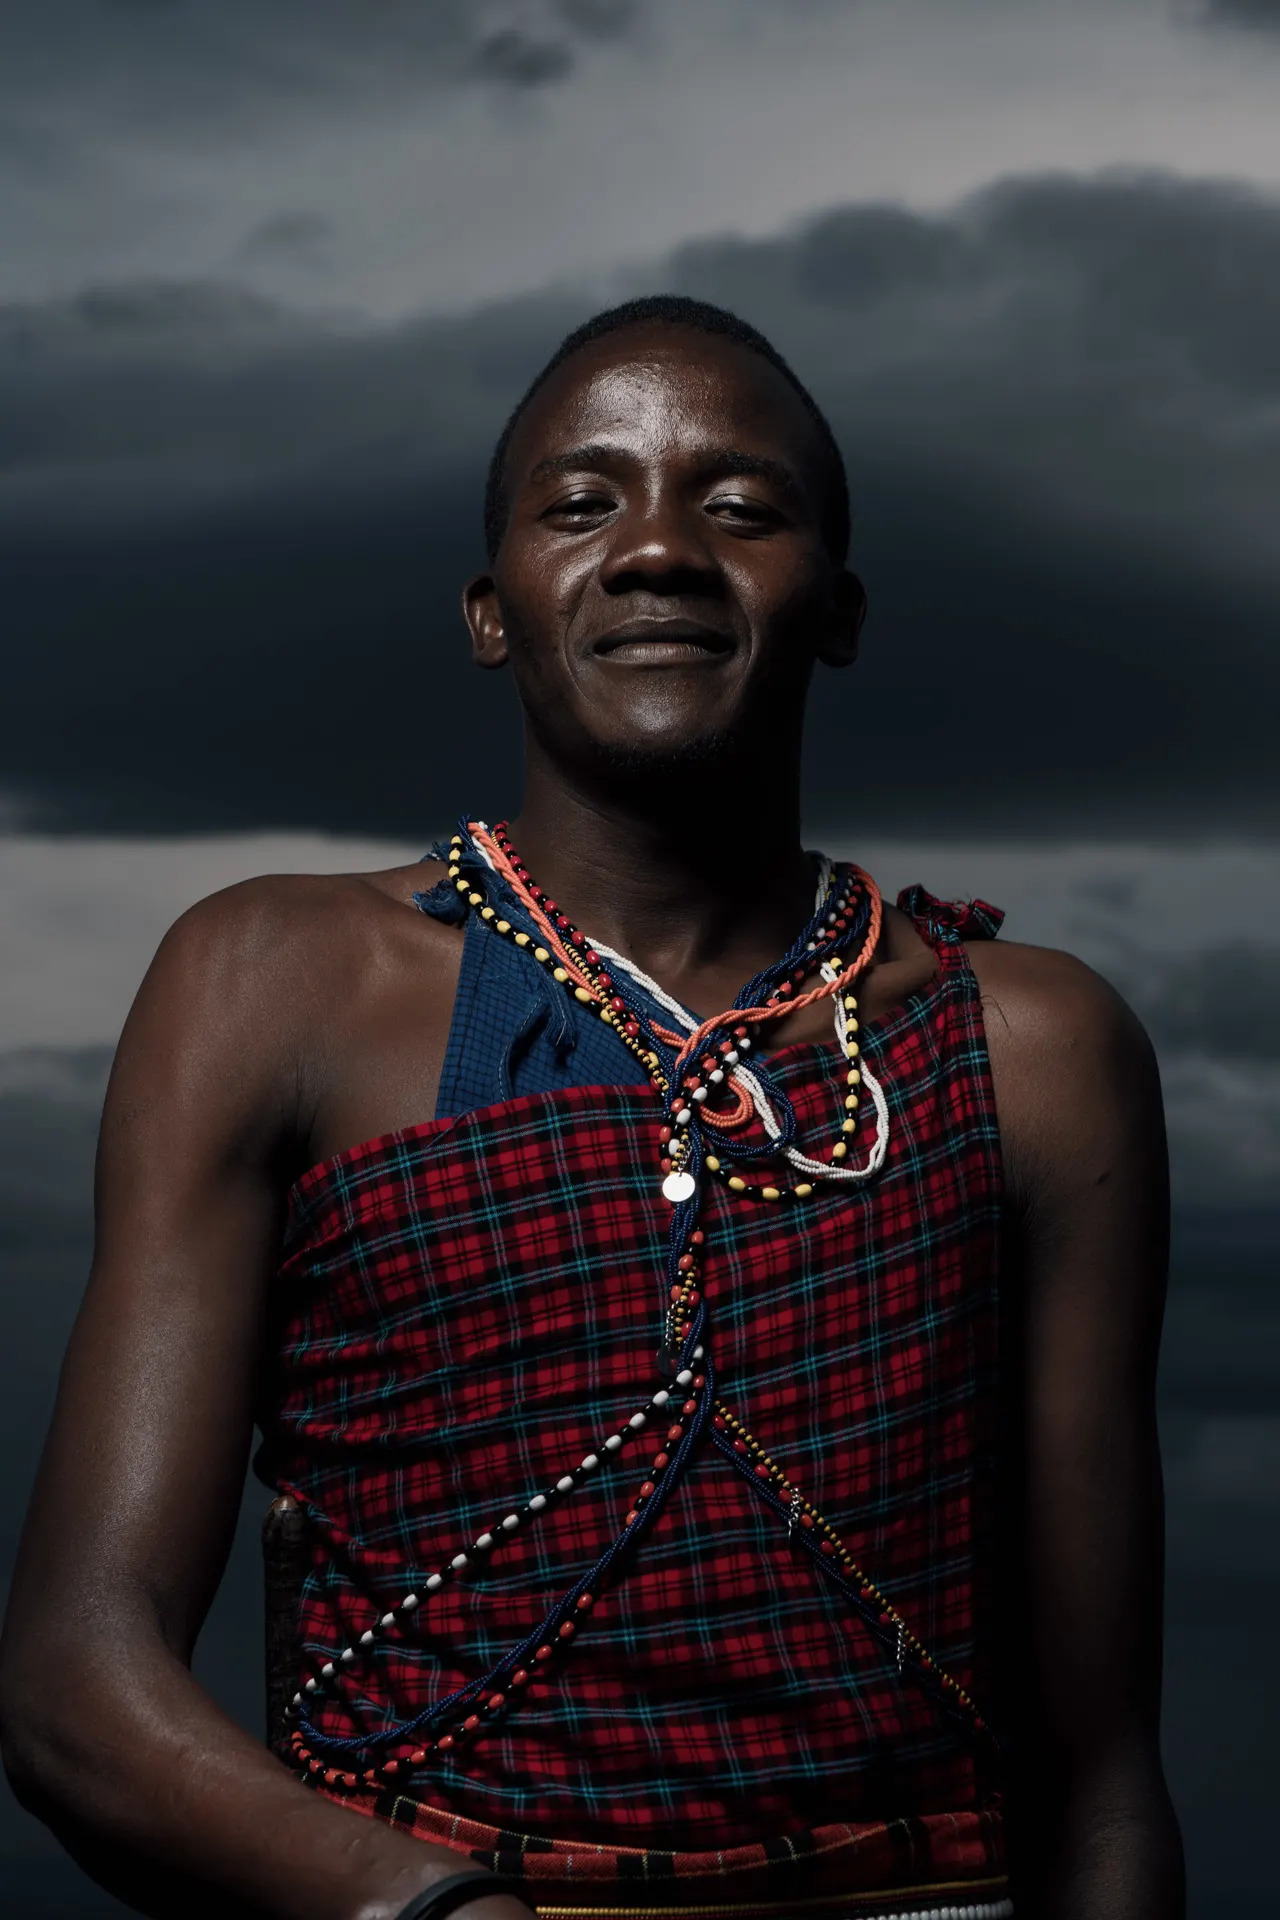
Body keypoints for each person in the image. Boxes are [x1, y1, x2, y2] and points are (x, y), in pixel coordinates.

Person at [0, 296, 1184, 1920]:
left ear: (836, 610)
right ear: (495, 613)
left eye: (741, 507)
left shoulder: (1035, 1048)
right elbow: (75, 1683)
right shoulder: (275, 984)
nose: (657, 552)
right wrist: (437, 1914)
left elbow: (1104, 1774)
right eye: (582, 502)